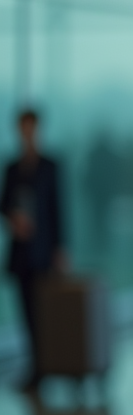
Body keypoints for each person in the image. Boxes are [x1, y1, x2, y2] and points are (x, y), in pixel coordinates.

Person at [1, 109, 66, 393]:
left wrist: (61, 248)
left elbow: (58, 209)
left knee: (45, 314)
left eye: (31, 128)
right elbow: (3, 203)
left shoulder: (50, 166)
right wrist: (13, 219)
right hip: (21, 252)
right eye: (23, 129)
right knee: (26, 313)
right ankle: (35, 369)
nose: (27, 134)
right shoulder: (12, 168)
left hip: (43, 252)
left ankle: (48, 367)